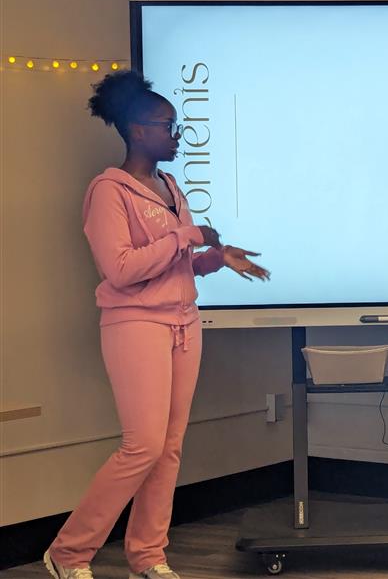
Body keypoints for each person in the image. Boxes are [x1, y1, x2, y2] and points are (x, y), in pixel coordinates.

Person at [44, 71, 269, 579]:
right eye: (168, 126)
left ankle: (148, 556)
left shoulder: (169, 186)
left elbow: (176, 265)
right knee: (142, 445)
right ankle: (68, 553)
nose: (177, 135)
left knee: (168, 449)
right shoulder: (108, 190)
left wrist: (215, 258)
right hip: (135, 325)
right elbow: (121, 269)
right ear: (137, 129)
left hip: (184, 324)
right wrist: (186, 236)